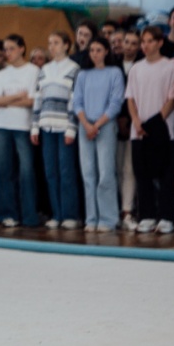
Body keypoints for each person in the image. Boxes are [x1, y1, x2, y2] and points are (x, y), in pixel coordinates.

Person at [125, 26, 174, 235]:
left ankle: (167, 216)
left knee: (165, 175)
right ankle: (146, 215)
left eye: (150, 41)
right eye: (143, 41)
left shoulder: (170, 68)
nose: (145, 45)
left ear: (159, 43)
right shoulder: (136, 69)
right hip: (138, 131)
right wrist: (136, 122)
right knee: (142, 174)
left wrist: (154, 123)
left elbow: (172, 99)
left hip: (162, 130)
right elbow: (130, 98)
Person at [73, 36, 124, 232]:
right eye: (91, 50)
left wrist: (98, 124)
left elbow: (115, 102)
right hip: (85, 126)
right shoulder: (83, 75)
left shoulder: (114, 73)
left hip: (105, 126)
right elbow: (77, 101)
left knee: (105, 173)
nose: (94, 53)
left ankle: (108, 218)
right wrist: (86, 124)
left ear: (106, 52)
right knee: (88, 173)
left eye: (98, 50)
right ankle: (91, 218)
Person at [32, 31, 80, 229]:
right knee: (50, 172)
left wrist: (71, 127)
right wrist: (35, 126)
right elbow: (38, 98)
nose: (52, 46)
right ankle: (56, 214)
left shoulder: (74, 68)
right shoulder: (44, 70)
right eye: (50, 43)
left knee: (66, 171)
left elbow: (75, 99)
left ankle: (70, 214)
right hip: (46, 125)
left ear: (67, 45)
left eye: (56, 43)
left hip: (64, 126)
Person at [0, 34, 39, 228]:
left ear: (21, 48)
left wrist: (8, 99)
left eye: (11, 48)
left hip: (23, 125)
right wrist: (18, 96)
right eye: (5, 49)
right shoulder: (3, 73)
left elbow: (32, 101)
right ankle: (6, 214)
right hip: (2, 125)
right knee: (2, 169)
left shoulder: (33, 71)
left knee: (26, 170)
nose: (7, 53)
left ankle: (29, 215)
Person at [116, 30, 141, 229]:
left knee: (129, 168)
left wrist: (130, 119)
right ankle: (115, 207)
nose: (130, 46)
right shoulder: (113, 64)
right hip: (113, 122)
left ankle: (128, 210)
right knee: (115, 169)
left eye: (134, 43)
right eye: (127, 42)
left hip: (135, 121)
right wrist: (118, 118)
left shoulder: (141, 65)